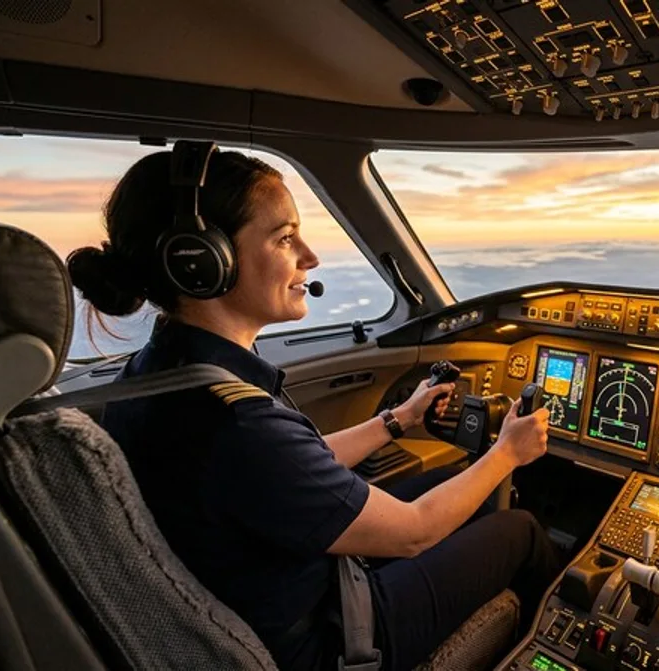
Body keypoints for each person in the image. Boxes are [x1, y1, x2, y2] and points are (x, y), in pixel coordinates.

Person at [66, 147, 561, 671]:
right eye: (284, 237)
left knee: (463, 497)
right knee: (519, 530)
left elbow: (292, 468)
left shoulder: (154, 374)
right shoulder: (232, 420)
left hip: (266, 593)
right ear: (203, 262)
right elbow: (413, 530)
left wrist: (398, 421)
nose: (310, 255)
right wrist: (508, 453)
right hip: (325, 640)